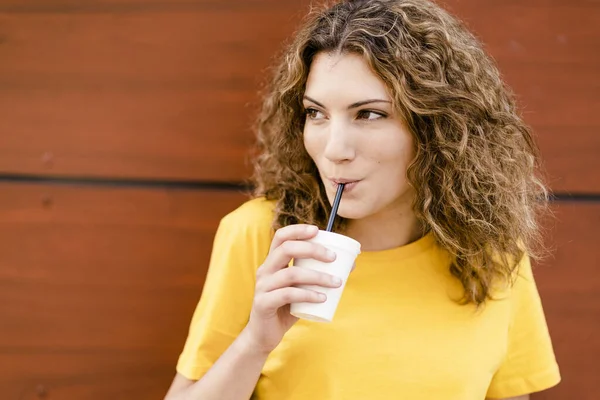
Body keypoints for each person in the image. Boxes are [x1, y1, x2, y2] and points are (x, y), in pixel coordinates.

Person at [164, 0, 561, 399]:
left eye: (368, 114)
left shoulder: (492, 248)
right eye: (316, 113)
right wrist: (254, 344)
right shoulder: (265, 237)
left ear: (438, 126)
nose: (335, 148)